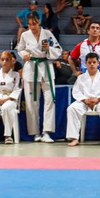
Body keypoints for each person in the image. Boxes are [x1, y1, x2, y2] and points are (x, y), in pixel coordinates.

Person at [16, 12, 62, 142]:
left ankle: (46, 132)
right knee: (31, 103)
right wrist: (24, 54)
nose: (32, 26)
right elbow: (20, 49)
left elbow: (58, 50)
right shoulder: (25, 35)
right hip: (31, 68)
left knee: (49, 100)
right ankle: (35, 132)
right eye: (29, 24)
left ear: (39, 21)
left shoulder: (47, 34)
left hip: (46, 68)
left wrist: (49, 49)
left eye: (34, 23)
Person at [66, 53, 100, 147]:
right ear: (86, 63)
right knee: (72, 108)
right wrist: (85, 100)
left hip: (99, 102)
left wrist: (98, 99)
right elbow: (76, 92)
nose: (92, 64)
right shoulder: (81, 78)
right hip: (84, 102)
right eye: (89, 62)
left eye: (94, 62)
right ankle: (74, 138)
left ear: (98, 63)